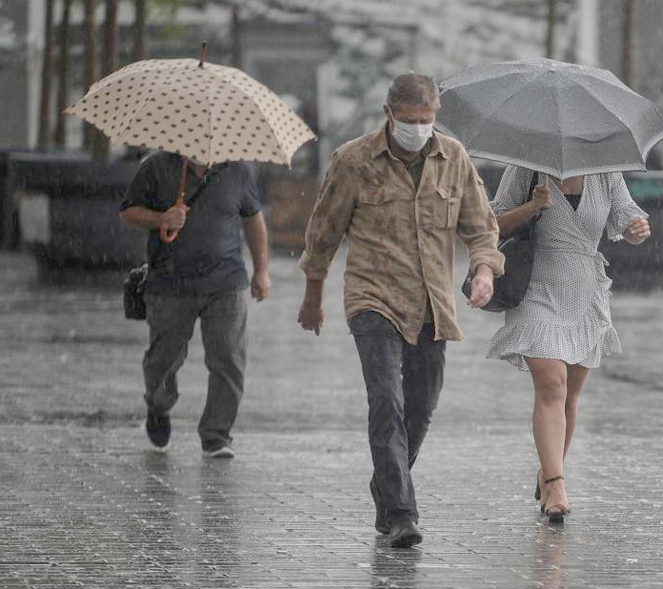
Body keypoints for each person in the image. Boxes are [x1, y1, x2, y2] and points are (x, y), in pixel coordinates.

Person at [296, 73, 504, 548]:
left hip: (433, 302)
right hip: (374, 298)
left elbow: (480, 226)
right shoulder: (353, 160)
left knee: (421, 408)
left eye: (426, 120)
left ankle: (387, 483)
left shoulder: (454, 158)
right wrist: (313, 295)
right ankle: (400, 514)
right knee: (386, 400)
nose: (418, 128)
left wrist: (485, 271)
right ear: (388, 115)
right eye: (409, 120)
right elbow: (323, 231)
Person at [487, 165, 651, 520]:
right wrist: (532, 207)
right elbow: (492, 224)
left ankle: (547, 473)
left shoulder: (606, 171)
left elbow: (627, 218)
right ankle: (557, 482)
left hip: (584, 290)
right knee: (552, 384)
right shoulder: (525, 168)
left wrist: (636, 229)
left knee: (570, 396)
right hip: (535, 288)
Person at [118, 151, 271, 459]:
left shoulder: (238, 169)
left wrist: (261, 271)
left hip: (226, 282)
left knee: (229, 359)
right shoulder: (156, 167)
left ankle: (216, 435)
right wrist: (161, 218)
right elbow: (127, 213)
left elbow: (253, 219)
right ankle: (158, 405)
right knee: (164, 359)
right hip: (170, 282)